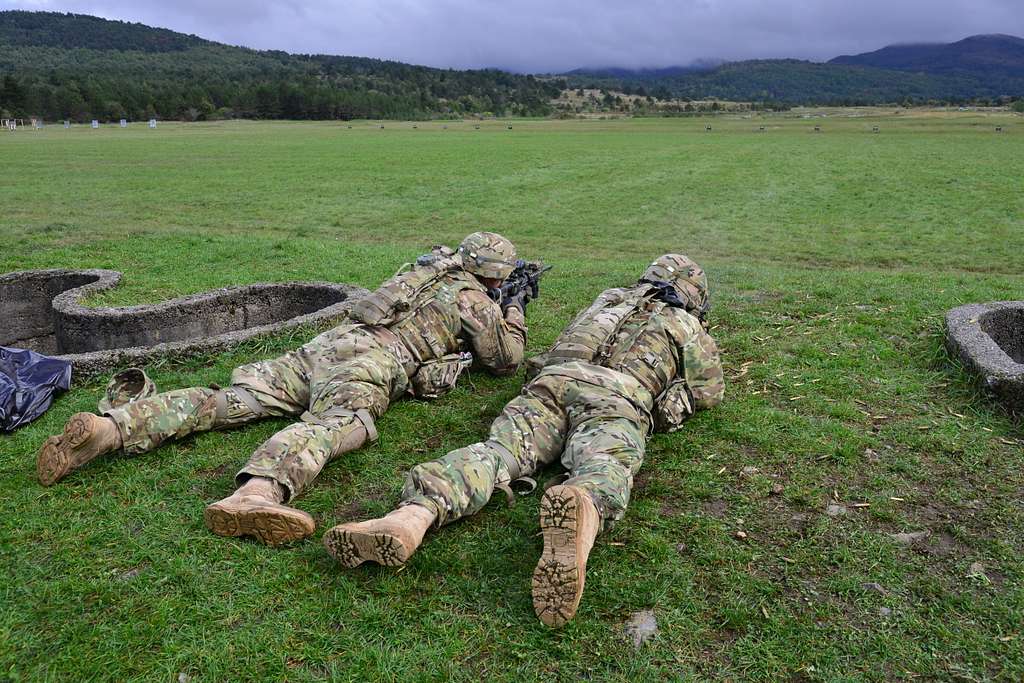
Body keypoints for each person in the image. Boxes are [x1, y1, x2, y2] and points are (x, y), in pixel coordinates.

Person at [36, 232, 528, 546]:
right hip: (368, 364)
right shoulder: (474, 300)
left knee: (226, 401)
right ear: (496, 276)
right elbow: (504, 362)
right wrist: (513, 312)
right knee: (335, 426)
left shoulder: (422, 270)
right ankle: (255, 494)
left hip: (328, 345)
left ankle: (111, 427)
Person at [323, 254, 724, 627]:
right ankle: (582, 510)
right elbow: (709, 391)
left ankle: (410, 518)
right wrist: (675, 397)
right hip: (618, 396)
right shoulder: (685, 325)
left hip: (551, 383)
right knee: (605, 463)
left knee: (498, 453)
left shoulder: (610, 298)